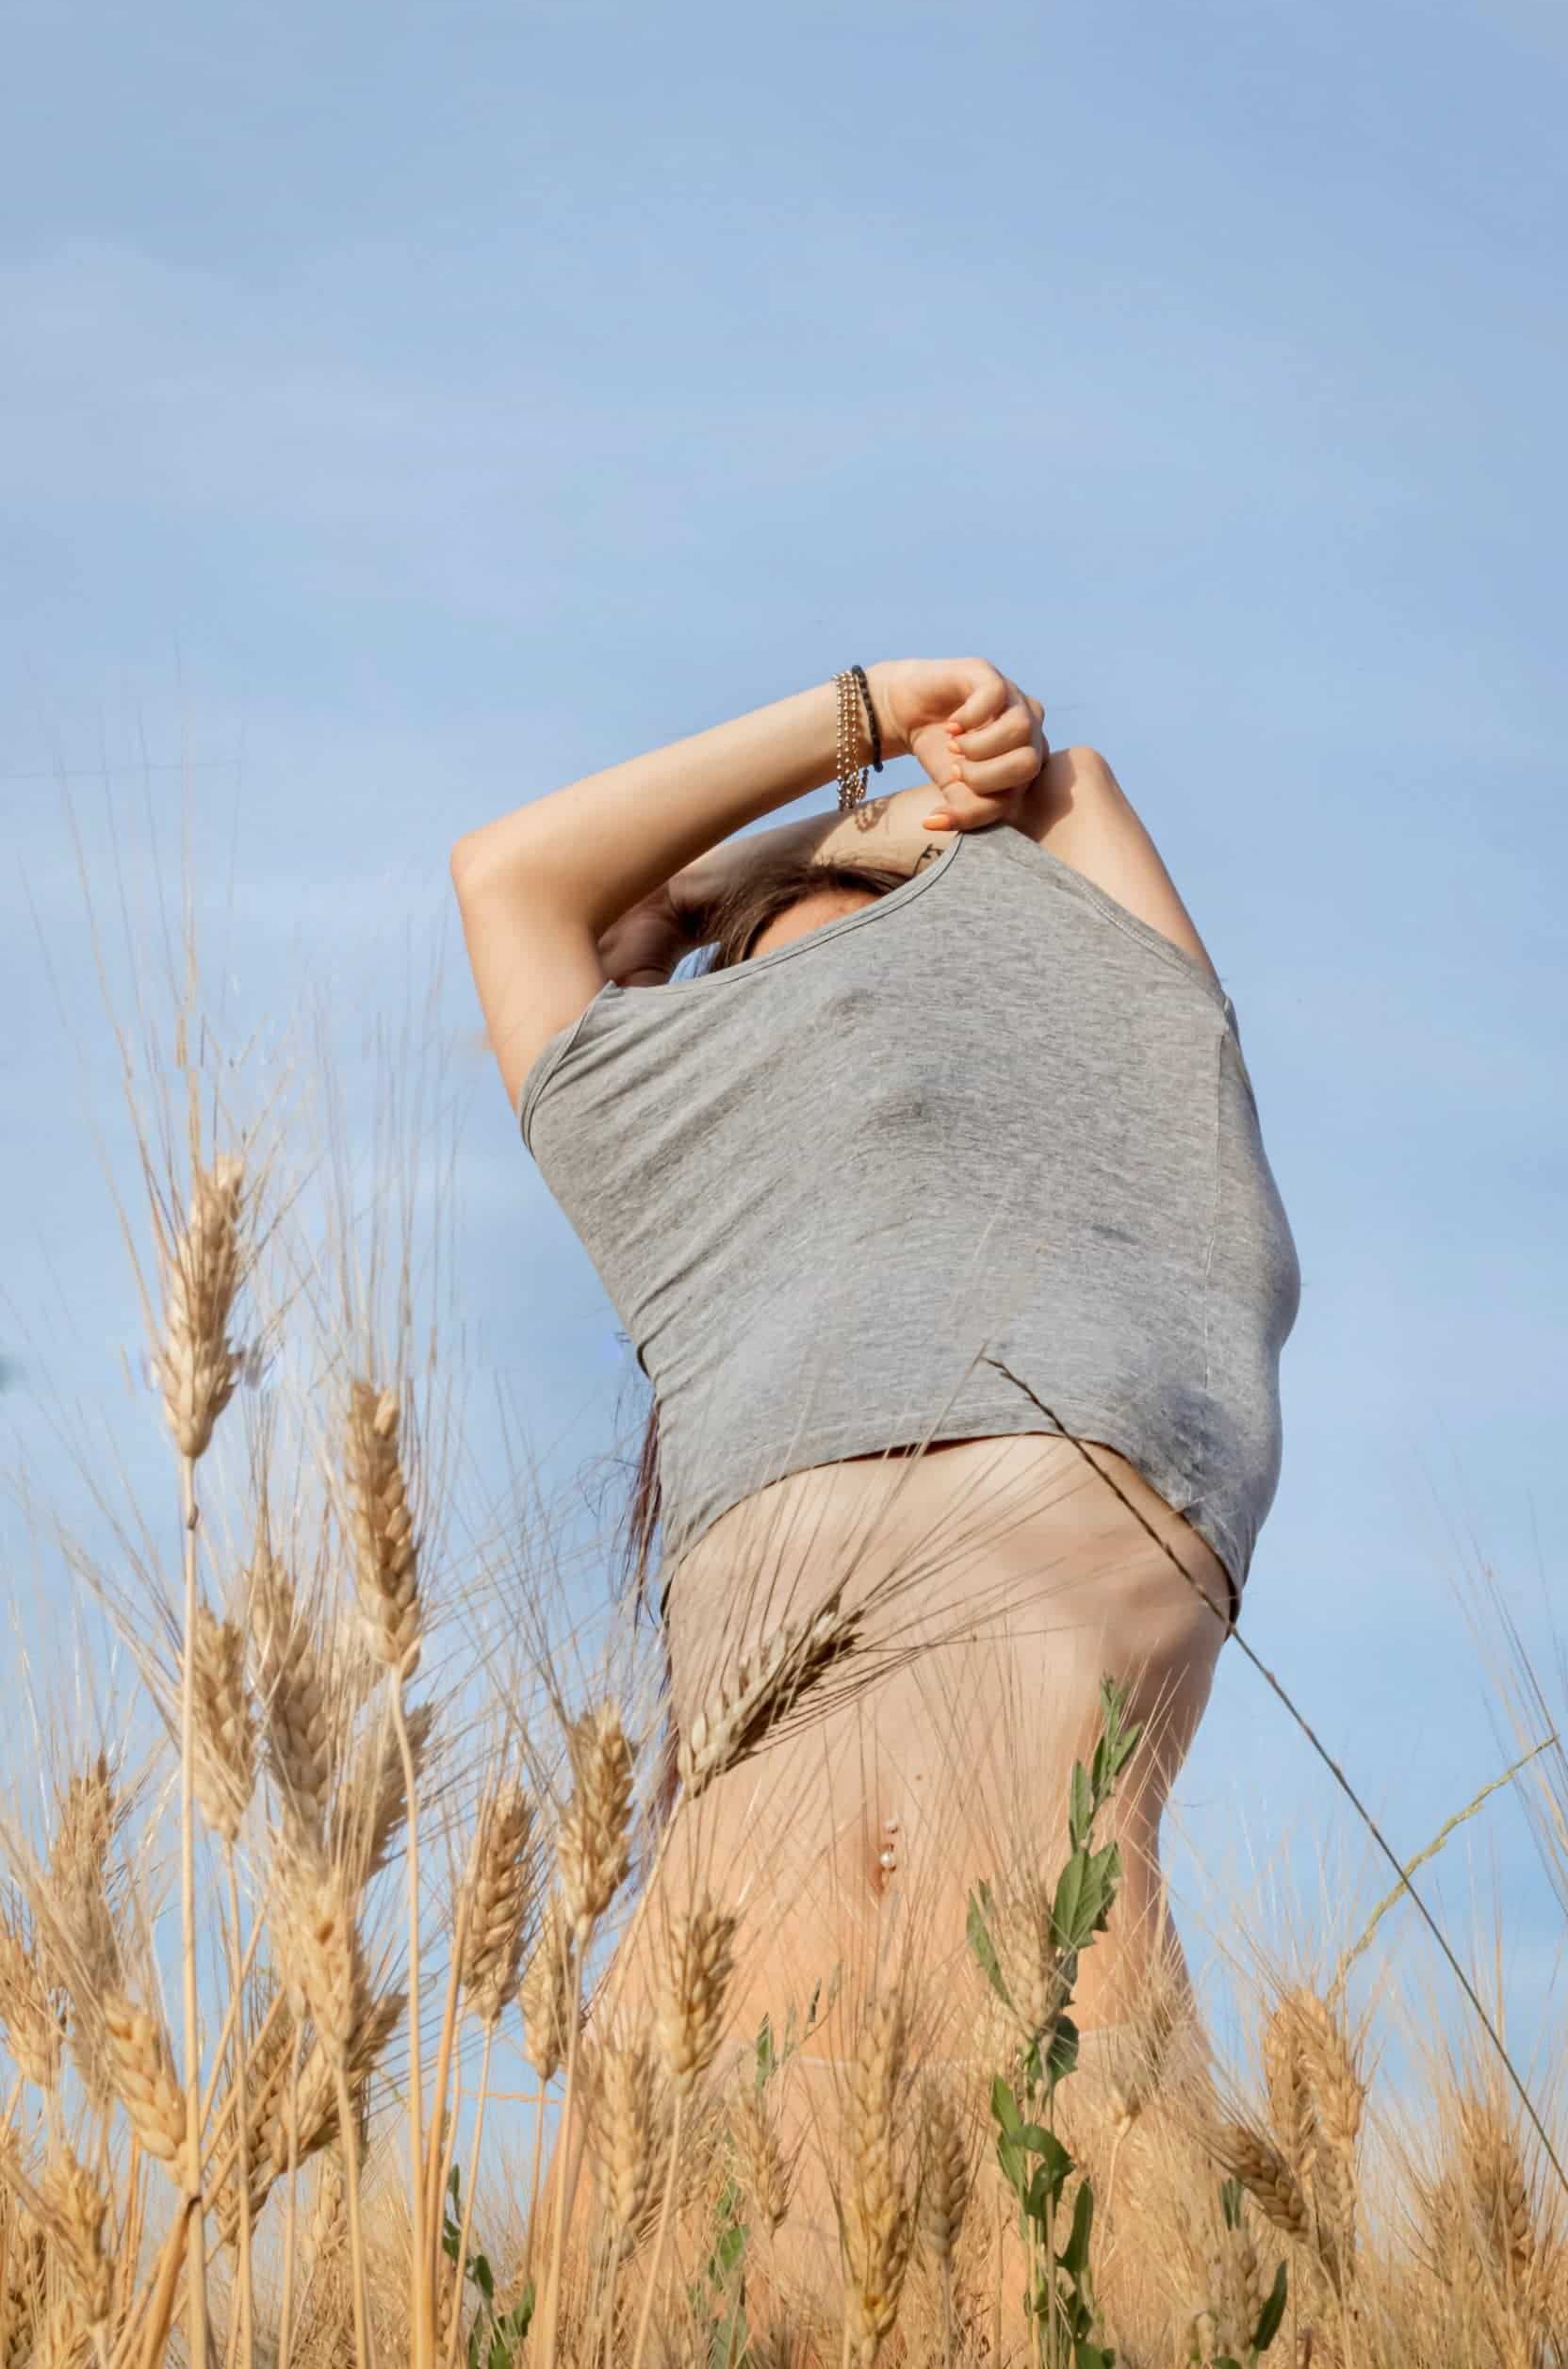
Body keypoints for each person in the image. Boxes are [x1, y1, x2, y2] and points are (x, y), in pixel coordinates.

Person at [450, 656, 1299, 2196]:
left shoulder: (1160, 1120)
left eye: (884, 973)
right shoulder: (664, 1172)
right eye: (760, 999)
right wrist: (851, 732)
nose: (818, 1034)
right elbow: (511, 875)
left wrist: (805, 849)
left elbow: (1062, 796)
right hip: (694, 2089)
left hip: (1069, 2071)